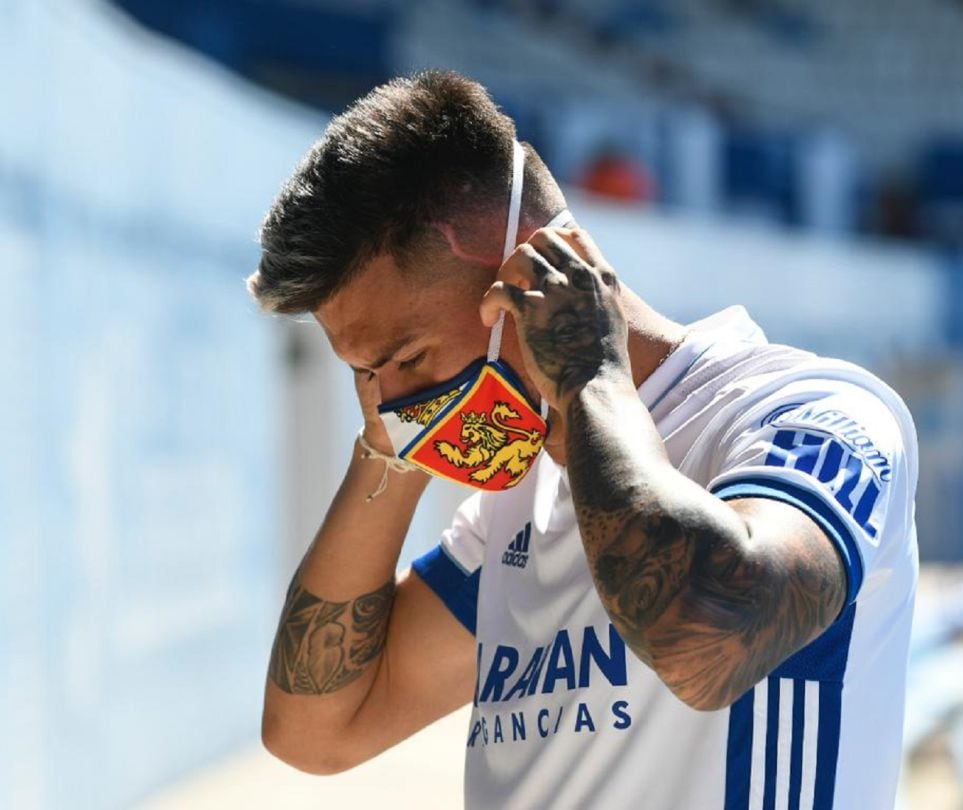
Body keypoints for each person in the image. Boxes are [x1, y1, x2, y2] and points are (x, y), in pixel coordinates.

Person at [248, 71, 919, 810]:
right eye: (367, 374)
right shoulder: (513, 508)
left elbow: (709, 644)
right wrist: (391, 444)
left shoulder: (810, 413)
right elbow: (315, 729)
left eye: (406, 358)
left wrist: (591, 377)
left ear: (532, 269)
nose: (392, 399)